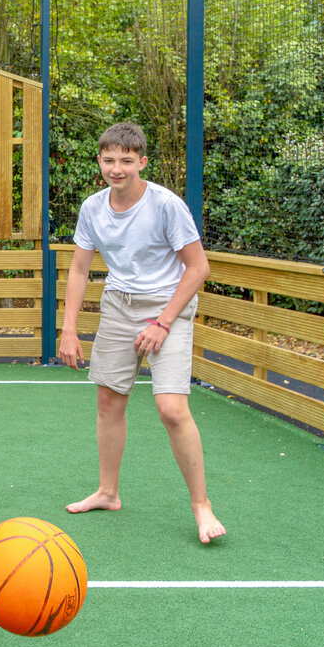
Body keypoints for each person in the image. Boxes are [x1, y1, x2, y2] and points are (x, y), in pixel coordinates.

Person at [58, 121, 226, 544]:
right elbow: (79, 269)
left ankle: (202, 507)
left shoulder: (166, 205)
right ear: (99, 161)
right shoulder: (92, 208)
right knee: (108, 401)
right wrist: (69, 329)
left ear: (142, 162)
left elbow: (198, 267)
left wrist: (163, 322)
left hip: (168, 308)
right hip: (119, 306)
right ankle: (108, 492)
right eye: (109, 160)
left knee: (171, 409)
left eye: (126, 161)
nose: (117, 169)